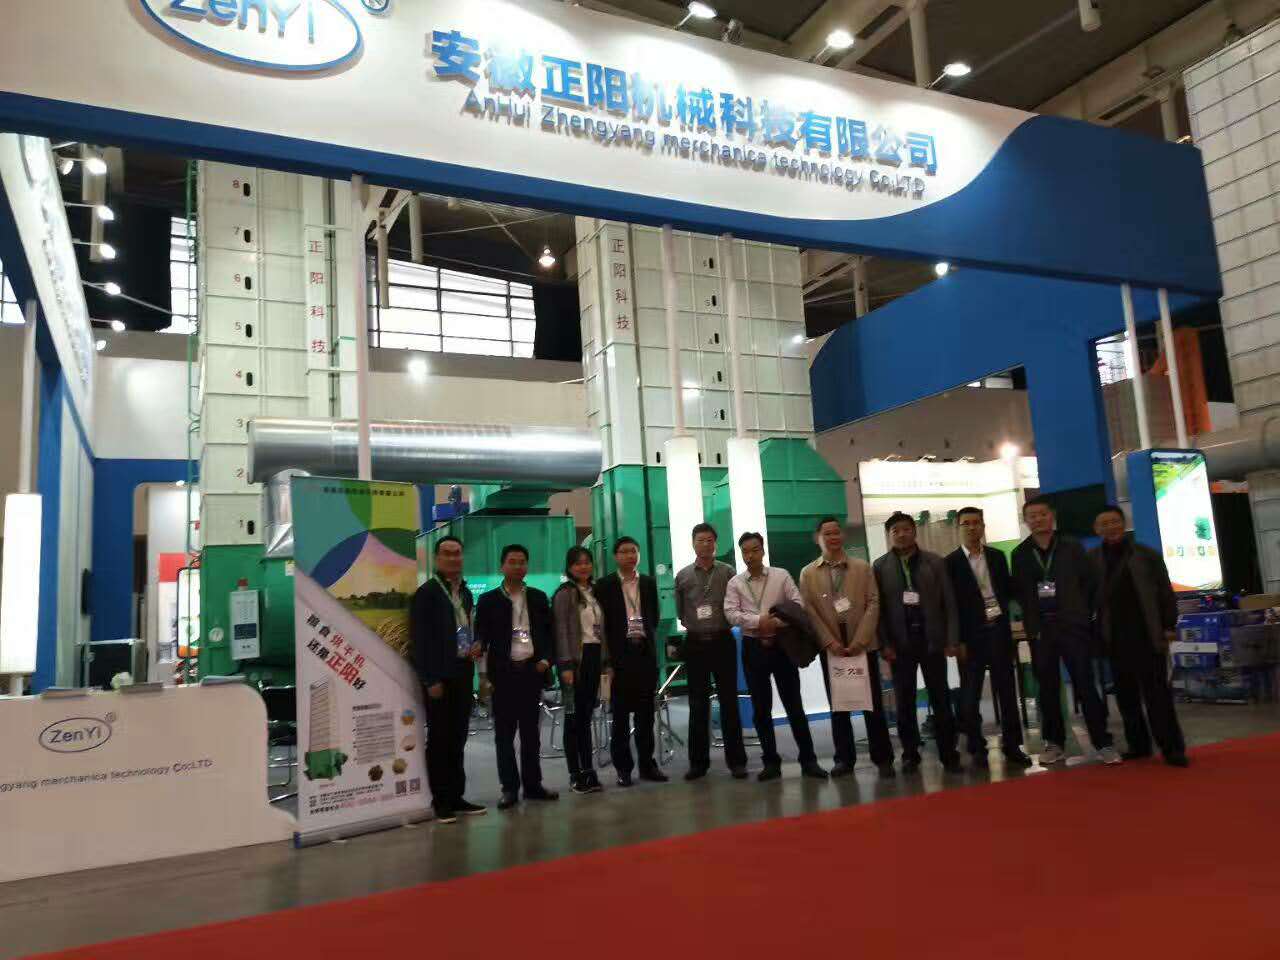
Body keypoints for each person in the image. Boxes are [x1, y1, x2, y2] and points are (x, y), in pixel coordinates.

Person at [1011, 498, 1119, 765]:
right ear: (1026, 521)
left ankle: (1103, 742)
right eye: (1032, 516)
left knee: (1085, 684)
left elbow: (1089, 584)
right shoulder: (1020, 553)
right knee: (1047, 689)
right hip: (1041, 631)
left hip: (1072, 626)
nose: (1038, 519)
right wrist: (1030, 623)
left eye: (1042, 514)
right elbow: (1021, 593)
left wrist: (1082, 615)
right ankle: (1054, 743)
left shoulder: (1072, 546)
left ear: (1052, 516)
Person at [724, 532, 828, 782]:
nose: (750, 555)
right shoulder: (736, 583)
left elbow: (797, 604)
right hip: (753, 646)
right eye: (745, 551)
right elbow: (730, 613)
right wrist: (759, 621)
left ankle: (809, 760)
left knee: (794, 705)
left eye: (755, 550)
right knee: (761, 709)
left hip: (782, 645)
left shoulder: (781, 576)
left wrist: (777, 623)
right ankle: (771, 762)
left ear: (763, 550)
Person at [1090, 505, 1188, 767]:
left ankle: (1172, 748)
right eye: (1104, 524)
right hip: (1114, 638)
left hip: (1148, 634)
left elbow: (1165, 592)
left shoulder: (1146, 555)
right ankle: (1139, 746)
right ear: (1096, 530)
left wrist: (1169, 625)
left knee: (1158, 696)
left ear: (1124, 524)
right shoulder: (1092, 560)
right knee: (1126, 697)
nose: (1110, 527)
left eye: (1114, 521)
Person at [800, 517, 895, 778]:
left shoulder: (862, 568)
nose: (833, 537)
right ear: (817, 538)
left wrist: (860, 641)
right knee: (839, 706)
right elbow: (809, 611)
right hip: (831, 648)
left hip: (862, 646)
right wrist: (829, 642)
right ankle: (844, 759)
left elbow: (873, 603)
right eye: (827, 534)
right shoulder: (808, 573)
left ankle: (883, 758)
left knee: (872, 704)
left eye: (836, 532)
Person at [873, 512, 963, 773]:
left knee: (941, 698)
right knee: (904, 702)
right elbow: (878, 611)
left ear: (914, 531)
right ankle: (910, 753)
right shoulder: (880, 566)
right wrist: (884, 644)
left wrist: (952, 639)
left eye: (906, 529)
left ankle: (949, 753)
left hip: (932, 641)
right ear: (889, 535)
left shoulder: (935, 562)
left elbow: (949, 602)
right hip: (899, 645)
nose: (901, 534)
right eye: (895, 531)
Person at [944, 508, 1033, 768]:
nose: (972, 528)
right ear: (959, 528)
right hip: (970, 638)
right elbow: (950, 606)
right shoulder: (950, 563)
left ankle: (1012, 745)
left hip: (998, 632)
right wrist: (956, 640)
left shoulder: (997, 556)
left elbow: (1007, 591)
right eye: (966, 523)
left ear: (983, 526)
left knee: (1007, 692)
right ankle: (977, 747)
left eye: (976, 523)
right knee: (970, 697)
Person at [476, 544, 560, 809]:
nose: (517, 566)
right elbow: (481, 639)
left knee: (531, 734)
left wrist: (546, 660)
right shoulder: (489, 600)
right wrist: (483, 677)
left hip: (531, 672)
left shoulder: (537, 597)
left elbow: (549, 634)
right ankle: (509, 789)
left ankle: (533, 786)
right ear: (502, 566)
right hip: (503, 675)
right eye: (512, 561)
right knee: (504, 735)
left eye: (522, 561)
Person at [410, 536, 486, 824]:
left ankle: (456, 796)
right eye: (447, 554)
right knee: (440, 739)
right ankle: (440, 800)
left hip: (463, 671)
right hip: (439, 677)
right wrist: (429, 679)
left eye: (457, 553)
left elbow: (467, 626)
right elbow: (419, 641)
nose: (453, 558)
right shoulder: (427, 593)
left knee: (458, 737)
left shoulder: (464, 592)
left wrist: (476, 642)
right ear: (437, 558)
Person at [674, 522, 748, 780]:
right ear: (693, 543)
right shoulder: (683, 576)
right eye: (700, 540)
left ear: (715, 544)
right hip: (695, 644)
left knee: (729, 701)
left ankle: (737, 762)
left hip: (722, 641)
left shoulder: (728, 572)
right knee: (697, 704)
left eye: (709, 540)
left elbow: (737, 604)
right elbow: (681, 612)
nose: (705, 544)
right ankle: (698, 764)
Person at [594, 536, 668, 786]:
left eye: (633, 551)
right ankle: (623, 769)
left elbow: (653, 617)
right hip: (619, 657)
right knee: (620, 717)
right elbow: (602, 625)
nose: (630, 556)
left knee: (646, 716)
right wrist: (607, 662)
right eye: (624, 552)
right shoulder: (604, 585)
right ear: (616, 556)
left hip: (644, 654)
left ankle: (647, 765)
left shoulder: (648, 583)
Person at [553, 546, 608, 794]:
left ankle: (588, 770)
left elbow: (601, 630)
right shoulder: (564, 593)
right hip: (574, 662)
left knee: (586, 717)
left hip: (594, 658)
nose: (583, 567)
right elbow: (561, 631)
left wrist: (606, 662)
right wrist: (565, 664)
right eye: (578, 563)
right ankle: (575, 774)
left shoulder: (594, 592)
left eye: (587, 562)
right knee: (573, 718)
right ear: (569, 567)